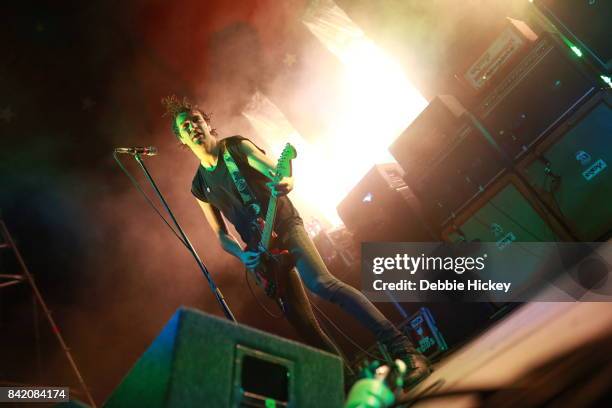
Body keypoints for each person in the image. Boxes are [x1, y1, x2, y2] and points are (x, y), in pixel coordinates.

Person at [162, 95, 431, 386]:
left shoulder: (236, 147)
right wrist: (242, 255)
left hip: (286, 224)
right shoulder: (199, 185)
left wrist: (286, 180)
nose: (193, 128)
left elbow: (276, 172)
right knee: (303, 324)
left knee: (323, 284)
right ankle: (349, 385)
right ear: (182, 140)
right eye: (185, 127)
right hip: (263, 252)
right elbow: (221, 235)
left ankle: (404, 350)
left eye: (196, 120)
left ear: (207, 123)